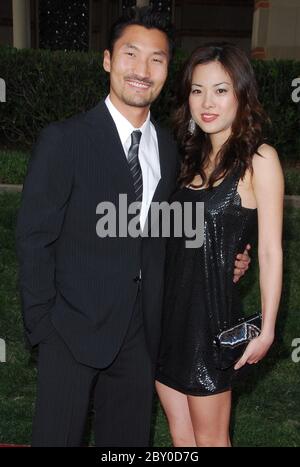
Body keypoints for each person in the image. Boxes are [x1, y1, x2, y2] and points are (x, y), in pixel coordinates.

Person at [16, 10, 250, 447]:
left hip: (141, 336)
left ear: (166, 72)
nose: (142, 71)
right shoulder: (65, 140)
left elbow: (177, 229)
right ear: (107, 60)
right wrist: (44, 329)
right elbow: (33, 238)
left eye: (156, 60)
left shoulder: (168, 147)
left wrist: (228, 256)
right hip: (70, 331)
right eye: (131, 54)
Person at [155, 43, 284, 448]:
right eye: (197, 90)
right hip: (165, 320)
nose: (206, 102)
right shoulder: (185, 159)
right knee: (181, 439)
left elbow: (270, 250)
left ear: (242, 94)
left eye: (221, 90)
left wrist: (267, 327)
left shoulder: (258, 160)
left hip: (210, 323)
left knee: (211, 440)